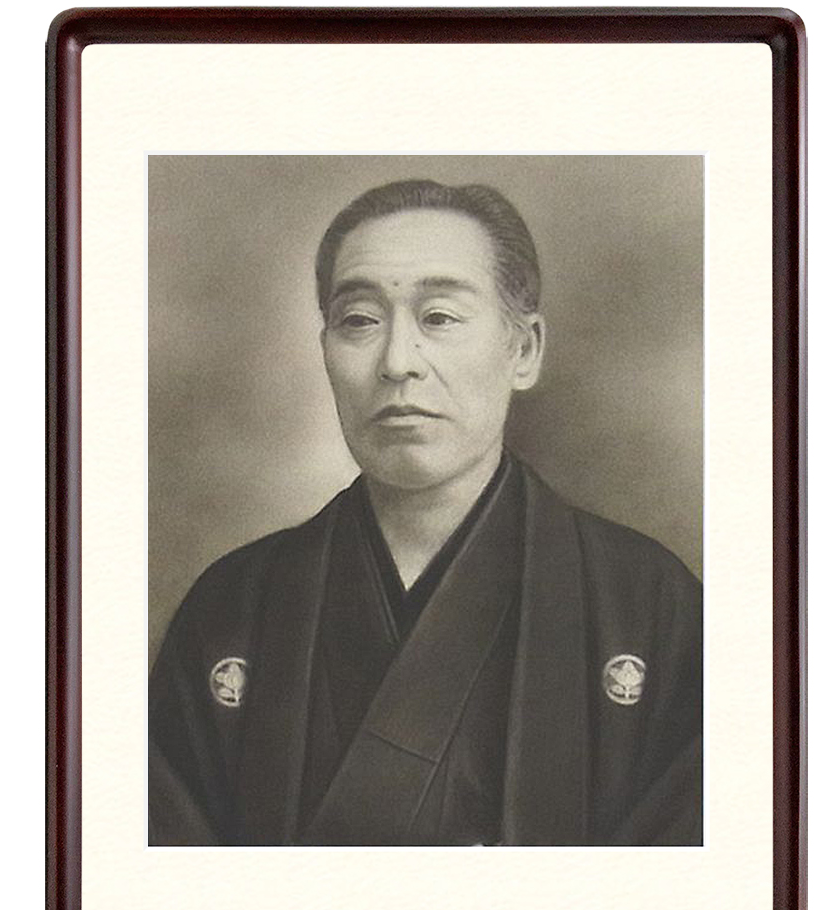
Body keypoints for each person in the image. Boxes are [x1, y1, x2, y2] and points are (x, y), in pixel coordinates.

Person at [148, 179, 702, 847]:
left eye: (439, 317)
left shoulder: (646, 603)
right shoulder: (233, 607)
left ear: (524, 350)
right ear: (325, 350)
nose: (397, 363)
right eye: (360, 321)